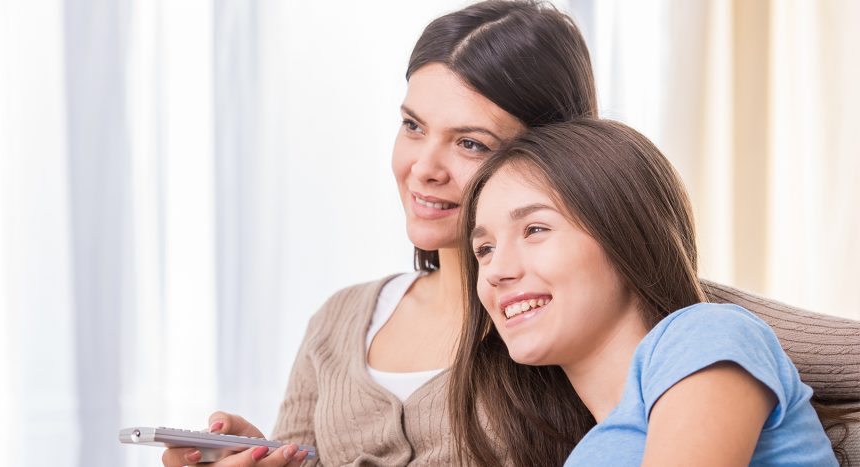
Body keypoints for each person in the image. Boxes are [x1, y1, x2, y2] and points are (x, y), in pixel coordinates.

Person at [163, 1, 856, 466]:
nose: (423, 168)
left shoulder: (680, 330)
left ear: (567, 162)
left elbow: (726, 335)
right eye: (412, 125)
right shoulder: (341, 320)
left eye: (469, 143)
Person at [451, 118, 849, 466]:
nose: (497, 271)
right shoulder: (589, 444)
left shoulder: (705, 334)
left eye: (535, 229)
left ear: (625, 237)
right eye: (484, 250)